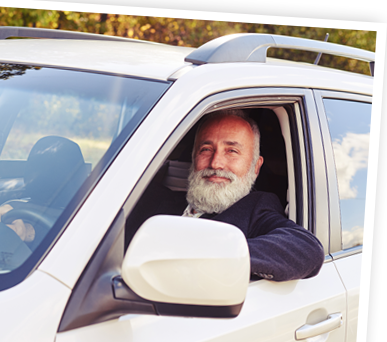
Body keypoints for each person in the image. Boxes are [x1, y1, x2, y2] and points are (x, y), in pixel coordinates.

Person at [128, 109, 324, 281]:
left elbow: (307, 249)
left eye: (232, 151)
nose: (216, 163)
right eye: (206, 149)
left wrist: (211, 252)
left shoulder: (256, 209)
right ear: (194, 158)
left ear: (256, 166)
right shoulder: (156, 200)